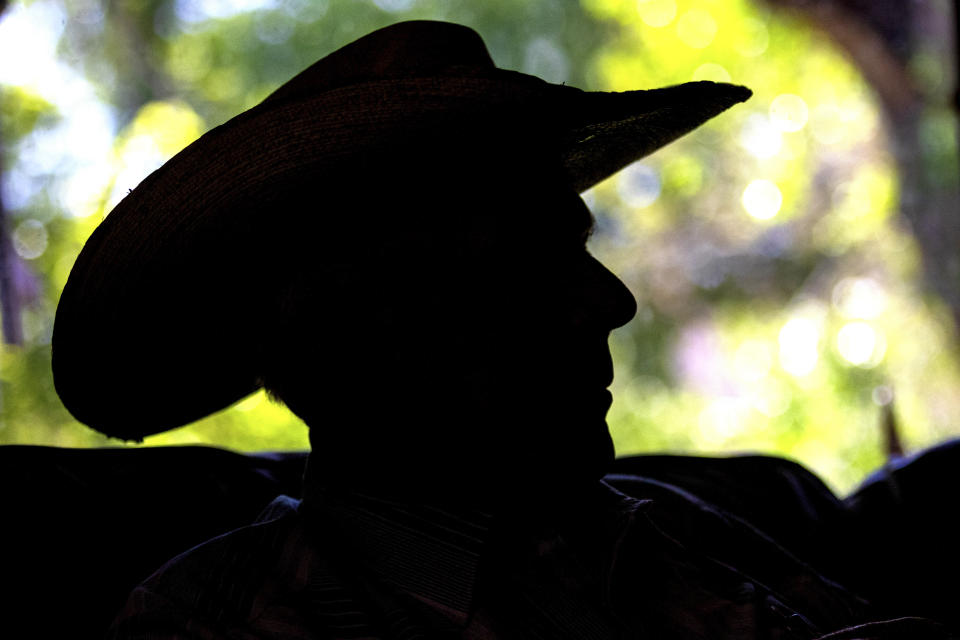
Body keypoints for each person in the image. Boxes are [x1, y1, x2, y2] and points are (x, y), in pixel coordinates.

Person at [51, 20, 956, 640]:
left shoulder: (665, 530)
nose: (610, 303)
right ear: (362, 331)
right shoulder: (212, 622)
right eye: (528, 263)